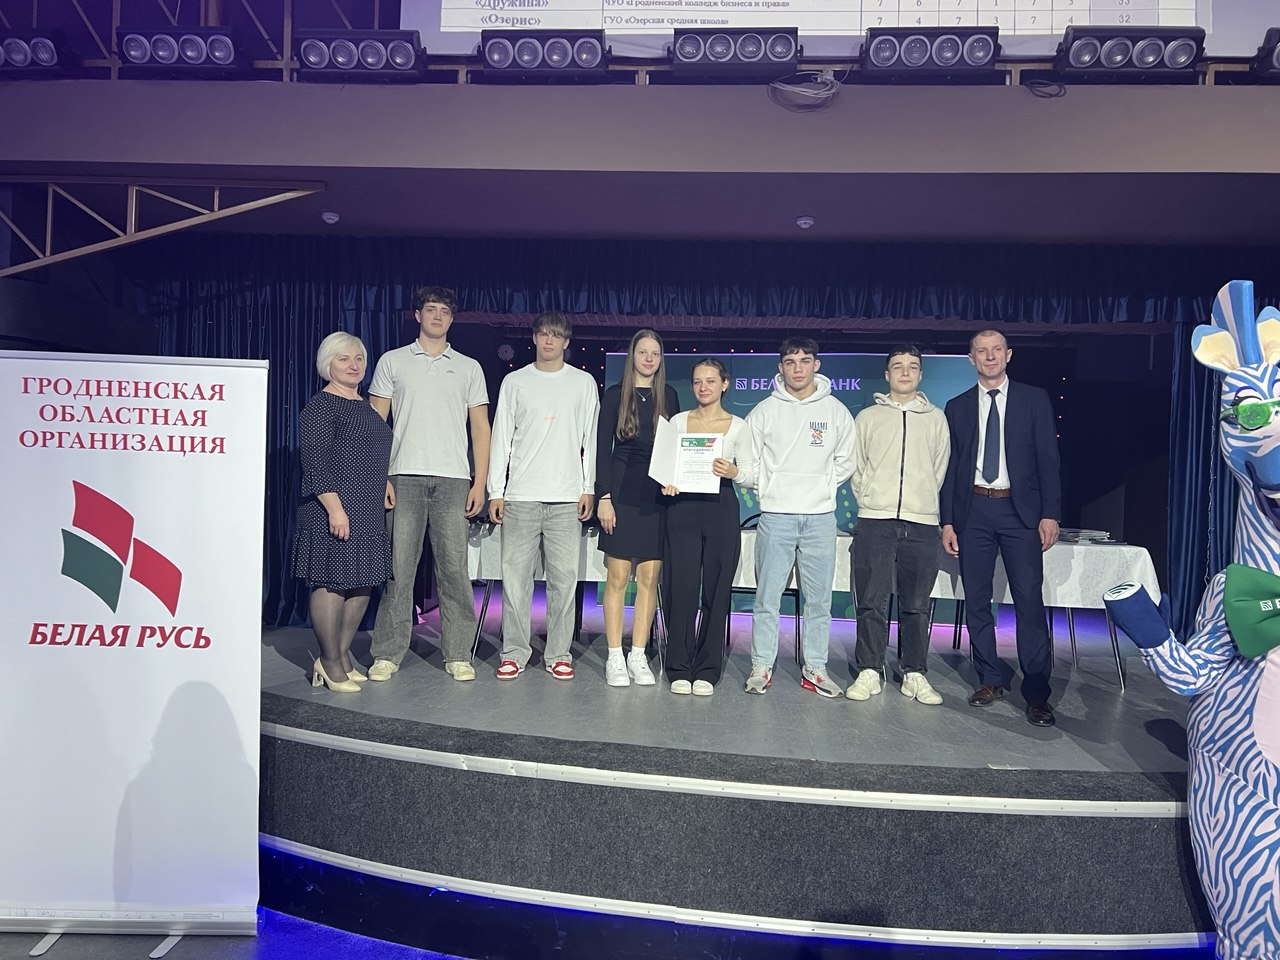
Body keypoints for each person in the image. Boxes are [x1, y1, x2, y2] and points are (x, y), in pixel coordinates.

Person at [364, 286, 490, 683]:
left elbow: (480, 427)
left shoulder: (469, 367)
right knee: (399, 570)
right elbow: (375, 423)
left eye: (445, 311)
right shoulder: (393, 361)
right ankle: (387, 653)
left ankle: (458, 654)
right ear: (417, 315)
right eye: (431, 309)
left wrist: (480, 482)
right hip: (404, 476)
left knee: (454, 571)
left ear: (452, 318)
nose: (438, 316)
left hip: (454, 479)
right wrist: (379, 474)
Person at [939, 328, 1061, 726]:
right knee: (976, 600)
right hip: (973, 511)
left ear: (1008, 355)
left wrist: (1050, 513)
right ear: (971, 359)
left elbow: (1048, 458)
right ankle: (990, 678)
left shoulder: (1033, 399)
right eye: (981, 351)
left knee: (1028, 601)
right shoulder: (957, 406)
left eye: (996, 350)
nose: (989, 356)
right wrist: (948, 520)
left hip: (1020, 513)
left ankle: (1037, 692)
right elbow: (951, 468)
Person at [742, 337, 856, 698]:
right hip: (776, 516)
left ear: (816, 365)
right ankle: (761, 665)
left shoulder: (836, 410)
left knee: (819, 601)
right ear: (781, 368)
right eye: (790, 362)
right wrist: (771, 487)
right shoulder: (764, 411)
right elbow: (748, 462)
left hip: (820, 518)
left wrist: (820, 486)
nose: (798, 368)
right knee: (767, 598)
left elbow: (847, 461)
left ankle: (815, 668)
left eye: (805, 361)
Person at [488, 312, 599, 681]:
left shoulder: (582, 383)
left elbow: (591, 438)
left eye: (556, 335)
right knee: (515, 580)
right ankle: (514, 652)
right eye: (543, 334)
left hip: (566, 497)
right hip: (521, 495)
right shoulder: (515, 382)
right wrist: (496, 490)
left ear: (566, 341)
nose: (549, 341)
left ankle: (559, 653)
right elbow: (501, 436)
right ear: (534, 338)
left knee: (564, 581)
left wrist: (588, 487)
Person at [848, 345, 951, 705]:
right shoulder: (868, 418)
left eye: (912, 367)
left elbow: (939, 468)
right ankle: (869, 669)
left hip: (921, 523)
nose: (905, 372)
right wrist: (871, 499)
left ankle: (914, 672)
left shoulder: (936, 419)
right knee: (871, 601)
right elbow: (857, 468)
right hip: (875, 520)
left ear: (920, 374)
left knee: (917, 604)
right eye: (898, 366)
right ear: (887, 374)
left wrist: (921, 502)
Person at [291, 331, 393, 693]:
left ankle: (342, 654)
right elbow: (315, 464)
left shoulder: (365, 406)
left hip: (367, 507)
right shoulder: (322, 406)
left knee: (362, 583)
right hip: (332, 508)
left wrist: (384, 482)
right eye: (344, 359)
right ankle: (329, 661)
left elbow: (371, 453)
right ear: (327, 364)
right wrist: (335, 509)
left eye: (358, 359)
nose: (353, 365)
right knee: (332, 582)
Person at [660, 358, 756, 696]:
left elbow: (751, 475)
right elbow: (664, 467)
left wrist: (734, 472)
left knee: (716, 588)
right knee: (681, 588)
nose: (703, 387)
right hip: (681, 508)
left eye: (711, 381)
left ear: (724, 384)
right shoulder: (678, 422)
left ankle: (707, 668)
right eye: (698, 381)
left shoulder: (739, 427)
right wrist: (667, 482)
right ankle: (678, 666)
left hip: (721, 507)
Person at [595, 329, 680, 688]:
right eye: (643, 352)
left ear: (661, 359)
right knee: (617, 579)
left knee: (648, 580)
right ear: (633, 356)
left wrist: (674, 479)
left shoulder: (669, 396)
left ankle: (638, 654)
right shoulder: (615, 395)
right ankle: (615, 655)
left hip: (656, 498)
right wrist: (603, 497)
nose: (648, 359)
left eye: (655, 353)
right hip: (621, 493)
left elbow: (675, 449)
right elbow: (602, 449)